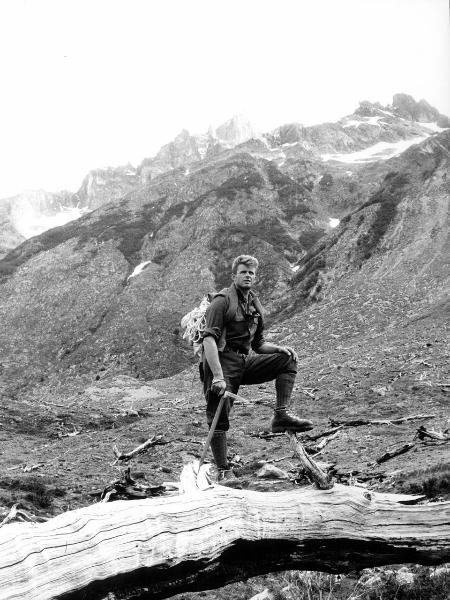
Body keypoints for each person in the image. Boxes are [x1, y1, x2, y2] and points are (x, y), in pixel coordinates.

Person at [202, 254, 313, 479]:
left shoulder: (253, 303)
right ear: (234, 276)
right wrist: (217, 377)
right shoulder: (222, 301)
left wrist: (279, 349)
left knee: (287, 360)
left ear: (255, 277)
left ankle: (281, 415)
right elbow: (208, 340)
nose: (248, 276)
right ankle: (223, 471)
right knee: (219, 416)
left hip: (243, 361)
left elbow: (258, 344)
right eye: (243, 272)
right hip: (221, 364)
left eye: (251, 273)